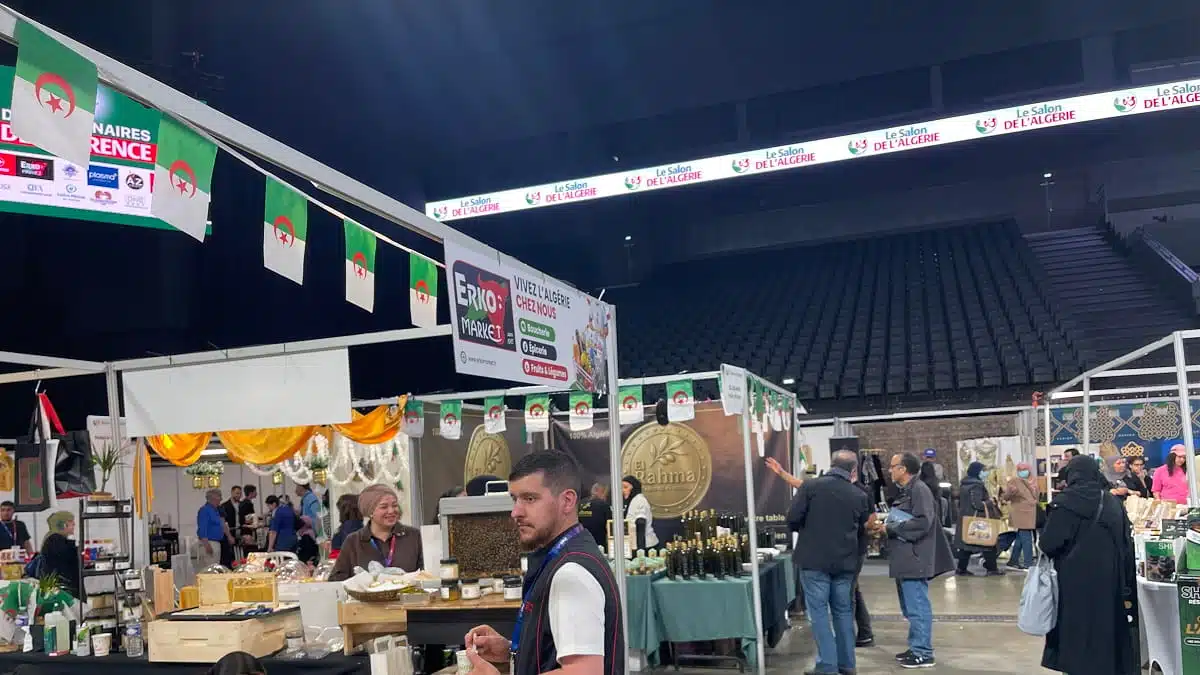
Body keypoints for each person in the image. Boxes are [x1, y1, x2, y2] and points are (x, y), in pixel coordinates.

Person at [464, 451, 623, 675]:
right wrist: (512, 652)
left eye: (530, 499)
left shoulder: (571, 573)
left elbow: (583, 672)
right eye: (514, 499)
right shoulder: (563, 555)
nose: (516, 512)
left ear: (567, 501)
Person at [1040, 454, 1139, 675]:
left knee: (1076, 631)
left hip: (1073, 582)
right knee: (1106, 627)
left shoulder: (1064, 504)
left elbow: (1048, 543)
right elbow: (1126, 543)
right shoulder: (1112, 502)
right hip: (1109, 580)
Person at [788, 449, 868, 675]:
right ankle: (847, 664)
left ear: (831, 464)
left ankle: (827, 666)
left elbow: (792, 519)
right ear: (853, 470)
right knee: (843, 612)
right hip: (845, 563)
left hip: (813, 561)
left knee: (819, 614)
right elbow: (863, 528)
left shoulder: (810, 487)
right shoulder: (859, 495)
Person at [876, 452, 953, 669]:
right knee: (909, 606)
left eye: (893, 466)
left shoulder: (919, 490)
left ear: (903, 469)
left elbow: (923, 522)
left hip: (915, 557)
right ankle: (916, 646)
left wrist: (891, 527)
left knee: (917, 605)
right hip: (906, 556)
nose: (889, 470)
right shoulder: (909, 491)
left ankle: (924, 653)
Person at [329, 484, 422, 580]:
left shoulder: (414, 536)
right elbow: (336, 579)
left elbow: (426, 574)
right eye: (384, 507)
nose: (391, 511)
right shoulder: (353, 541)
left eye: (394, 505)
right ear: (370, 512)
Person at [955, 461, 1004, 576]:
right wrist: (990, 502)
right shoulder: (976, 485)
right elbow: (977, 504)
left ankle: (961, 569)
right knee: (988, 543)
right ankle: (992, 569)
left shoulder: (964, 484)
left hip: (966, 519)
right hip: (978, 521)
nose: (985, 473)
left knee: (966, 546)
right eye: (983, 471)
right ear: (977, 472)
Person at [1000, 462, 1038, 570]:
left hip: (1030, 512)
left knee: (1021, 538)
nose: (1023, 471)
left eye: (1025, 469)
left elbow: (1036, 497)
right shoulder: (1014, 481)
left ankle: (1013, 560)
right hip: (1020, 512)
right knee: (1026, 538)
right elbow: (1006, 497)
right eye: (1020, 469)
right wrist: (1012, 492)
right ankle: (1028, 563)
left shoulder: (1033, 481)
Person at [37, 511, 81, 599]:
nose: (74, 524)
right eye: (71, 522)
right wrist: (73, 543)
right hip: (62, 587)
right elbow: (69, 557)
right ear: (63, 524)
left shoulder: (53, 538)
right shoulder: (55, 540)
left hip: (60, 585)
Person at [198, 489, 233, 570]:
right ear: (212, 498)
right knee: (210, 568)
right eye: (219, 497)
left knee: (215, 567)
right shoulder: (205, 510)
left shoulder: (216, 510)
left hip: (217, 542)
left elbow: (222, 524)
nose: (221, 499)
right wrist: (206, 544)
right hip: (210, 542)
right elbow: (202, 528)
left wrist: (229, 536)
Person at [622, 475, 658, 550]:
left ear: (634, 488)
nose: (623, 490)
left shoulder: (639, 500)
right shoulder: (632, 500)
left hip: (645, 545)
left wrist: (640, 549)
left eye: (625, 487)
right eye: (622, 488)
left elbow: (641, 523)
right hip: (636, 544)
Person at [577, 482, 612, 552]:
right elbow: (611, 528)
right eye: (606, 493)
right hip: (599, 547)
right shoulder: (604, 505)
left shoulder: (579, 503)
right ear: (602, 492)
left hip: (580, 545)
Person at [220, 485, 244, 566]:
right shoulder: (224, 506)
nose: (238, 495)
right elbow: (223, 522)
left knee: (240, 554)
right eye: (237, 493)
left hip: (240, 531)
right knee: (229, 556)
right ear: (232, 493)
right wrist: (229, 535)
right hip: (229, 532)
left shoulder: (242, 505)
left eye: (240, 494)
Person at [239, 485, 258, 553]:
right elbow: (248, 519)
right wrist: (257, 522)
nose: (256, 493)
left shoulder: (243, 502)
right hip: (247, 531)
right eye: (255, 491)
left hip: (245, 530)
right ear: (251, 493)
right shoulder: (247, 503)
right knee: (251, 551)